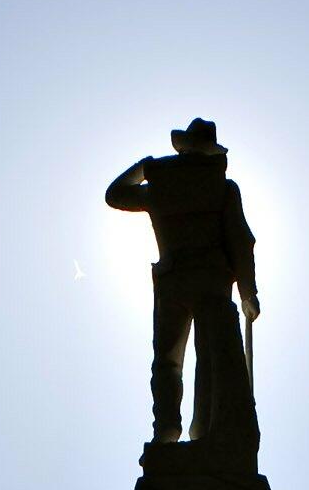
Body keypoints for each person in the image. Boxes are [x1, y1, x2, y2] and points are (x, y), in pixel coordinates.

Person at [105, 119, 260, 457]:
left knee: (169, 363)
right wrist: (248, 291)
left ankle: (169, 429)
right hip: (205, 280)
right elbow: (240, 241)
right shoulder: (222, 187)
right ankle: (196, 428)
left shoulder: (163, 183)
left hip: (175, 280)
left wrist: (144, 168)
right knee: (203, 358)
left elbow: (115, 194)